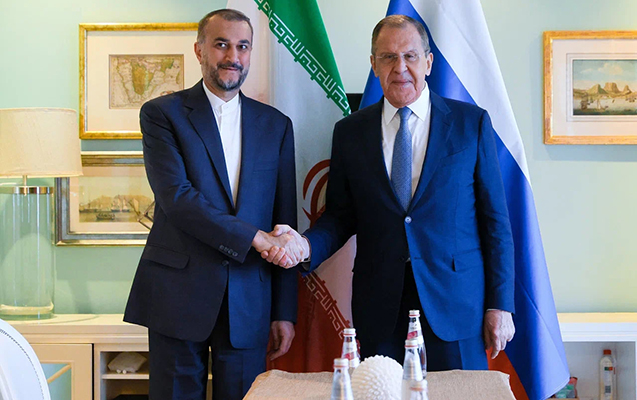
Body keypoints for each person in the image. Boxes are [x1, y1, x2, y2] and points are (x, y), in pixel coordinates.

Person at [264, 15, 515, 370]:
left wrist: (500, 305)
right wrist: (305, 246)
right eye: (388, 57)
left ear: (428, 62)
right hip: (381, 310)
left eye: (410, 56)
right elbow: (340, 216)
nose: (400, 67)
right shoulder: (350, 132)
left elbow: (496, 222)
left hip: (456, 306)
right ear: (374, 64)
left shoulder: (469, 123)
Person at [124, 9, 305, 400]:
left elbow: (284, 219)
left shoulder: (276, 125)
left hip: (249, 300)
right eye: (221, 44)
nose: (232, 56)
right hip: (177, 296)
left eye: (242, 46)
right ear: (199, 50)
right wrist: (255, 238)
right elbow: (177, 199)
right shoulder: (161, 114)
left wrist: (283, 311)